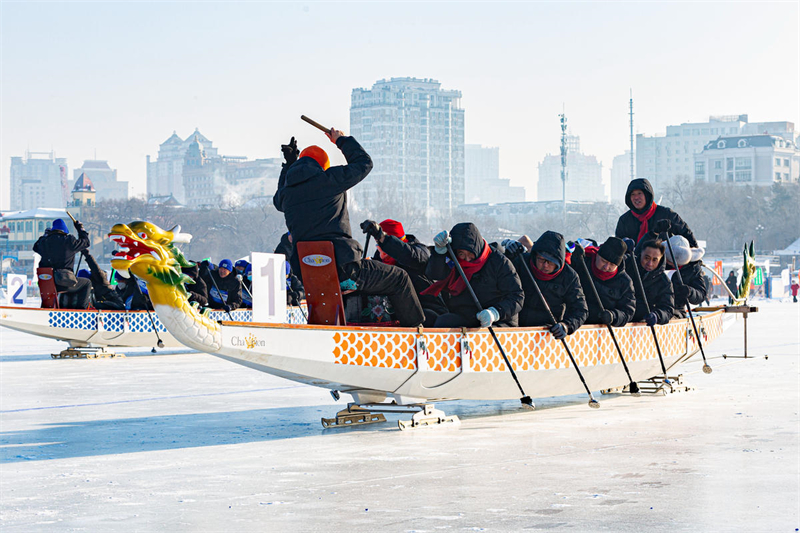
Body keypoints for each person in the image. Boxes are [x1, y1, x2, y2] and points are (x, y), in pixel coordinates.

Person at [273, 130, 424, 327]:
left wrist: (289, 165)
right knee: (399, 278)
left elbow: (279, 197)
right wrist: (341, 140)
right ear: (322, 166)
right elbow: (364, 164)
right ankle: (418, 334)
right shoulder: (329, 180)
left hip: (309, 273)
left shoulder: (287, 195)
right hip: (343, 269)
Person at [423, 223, 523, 328]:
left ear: (477, 248)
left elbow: (517, 296)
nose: (467, 259)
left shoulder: (498, 262)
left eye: (470, 253)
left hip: (500, 320)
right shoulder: (455, 261)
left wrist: (495, 313)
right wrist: (439, 253)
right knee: (438, 320)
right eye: (461, 254)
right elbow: (435, 274)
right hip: (468, 316)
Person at [361, 218, 447, 326]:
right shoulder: (379, 259)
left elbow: (406, 254)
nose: (379, 249)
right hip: (392, 313)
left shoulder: (420, 253)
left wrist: (383, 239)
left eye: (381, 244)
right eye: (377, 244)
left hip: (426, 311)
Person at [502, 231, 587, 339]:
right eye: (541, 259)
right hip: (516, 330)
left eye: (551, 262)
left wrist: (566, 325)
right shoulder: (522, 262)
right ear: (535, 255)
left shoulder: (569, 277)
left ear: (559, 262)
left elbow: (580, 310)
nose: (545, 265)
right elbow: (501, 276)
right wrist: (509, 254)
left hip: (547, 334)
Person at [616, 178, 698, 247]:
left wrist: (694, 256)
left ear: (647, 195)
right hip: (635, 263)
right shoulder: (624, 220)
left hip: (665, 263)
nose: (636, 197)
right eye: (633, 194)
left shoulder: (666, 214)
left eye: (639, 193)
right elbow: (618, 246)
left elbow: (685, 234)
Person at [574, 237, 636, 327]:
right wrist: (573, 251)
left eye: (612, 264)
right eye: (603, 261)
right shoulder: (582, 265)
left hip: (603, 329)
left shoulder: (625, 282)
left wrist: (613, 316)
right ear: (597, 255)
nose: (606, 267)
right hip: (576, 323)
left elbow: (628, 311)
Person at [33, 218, 91, 309]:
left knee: (71, 283)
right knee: (86, 283)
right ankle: (81, 310)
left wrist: (45, 235)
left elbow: (35, 247)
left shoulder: (44, 242)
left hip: (47, 284)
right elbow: (86, 242)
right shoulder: (69, 240)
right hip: (64, 283)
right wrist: (80, 229)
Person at [631, 238, 674, 325]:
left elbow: (667, 309)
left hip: (642, 323)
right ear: (641, 254)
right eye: (647, 258)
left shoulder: (664, 282)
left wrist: (657, 315)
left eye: (655, 260)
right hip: (620, 319)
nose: (650, 263)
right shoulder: (628, 266)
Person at [663, 235, 708, 318]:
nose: (672, 265)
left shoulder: (692, 268)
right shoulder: (656, 260)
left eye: (677, 264)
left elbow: (701, 294)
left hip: (677, 310)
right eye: (669, 262)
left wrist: (690, 292)